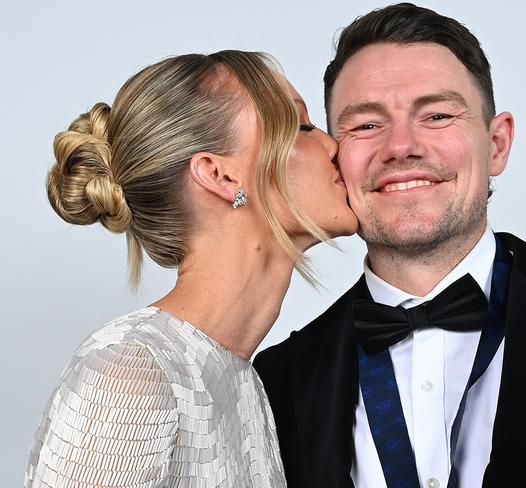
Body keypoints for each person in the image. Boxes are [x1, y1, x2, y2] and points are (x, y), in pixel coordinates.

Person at [253, 4, 526, 488]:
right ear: (337, 160)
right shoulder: (278, 381)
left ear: (497, 144)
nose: (402, 146)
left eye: (437, 115)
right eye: (365, 125)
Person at [24, 50, 358, 487]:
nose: (334, 146)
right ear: (220, 176)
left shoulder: (247, 386)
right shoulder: (131, 375)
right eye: (301, 127)